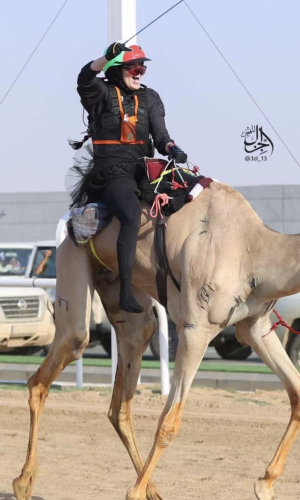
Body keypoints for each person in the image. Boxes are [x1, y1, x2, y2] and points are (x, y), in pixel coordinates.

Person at [73, 42, 188, 313]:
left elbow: (160, 137)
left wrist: (173, 148)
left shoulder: (151, 98)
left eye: (142, 68)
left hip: (144, 169)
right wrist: (105, 57)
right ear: (116, 70)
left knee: (188, 193)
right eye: (133, 67)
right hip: (112, 171)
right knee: (131, 215)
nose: (139, 72)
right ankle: (126, 292)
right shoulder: (100, 92)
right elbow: (83, 78)